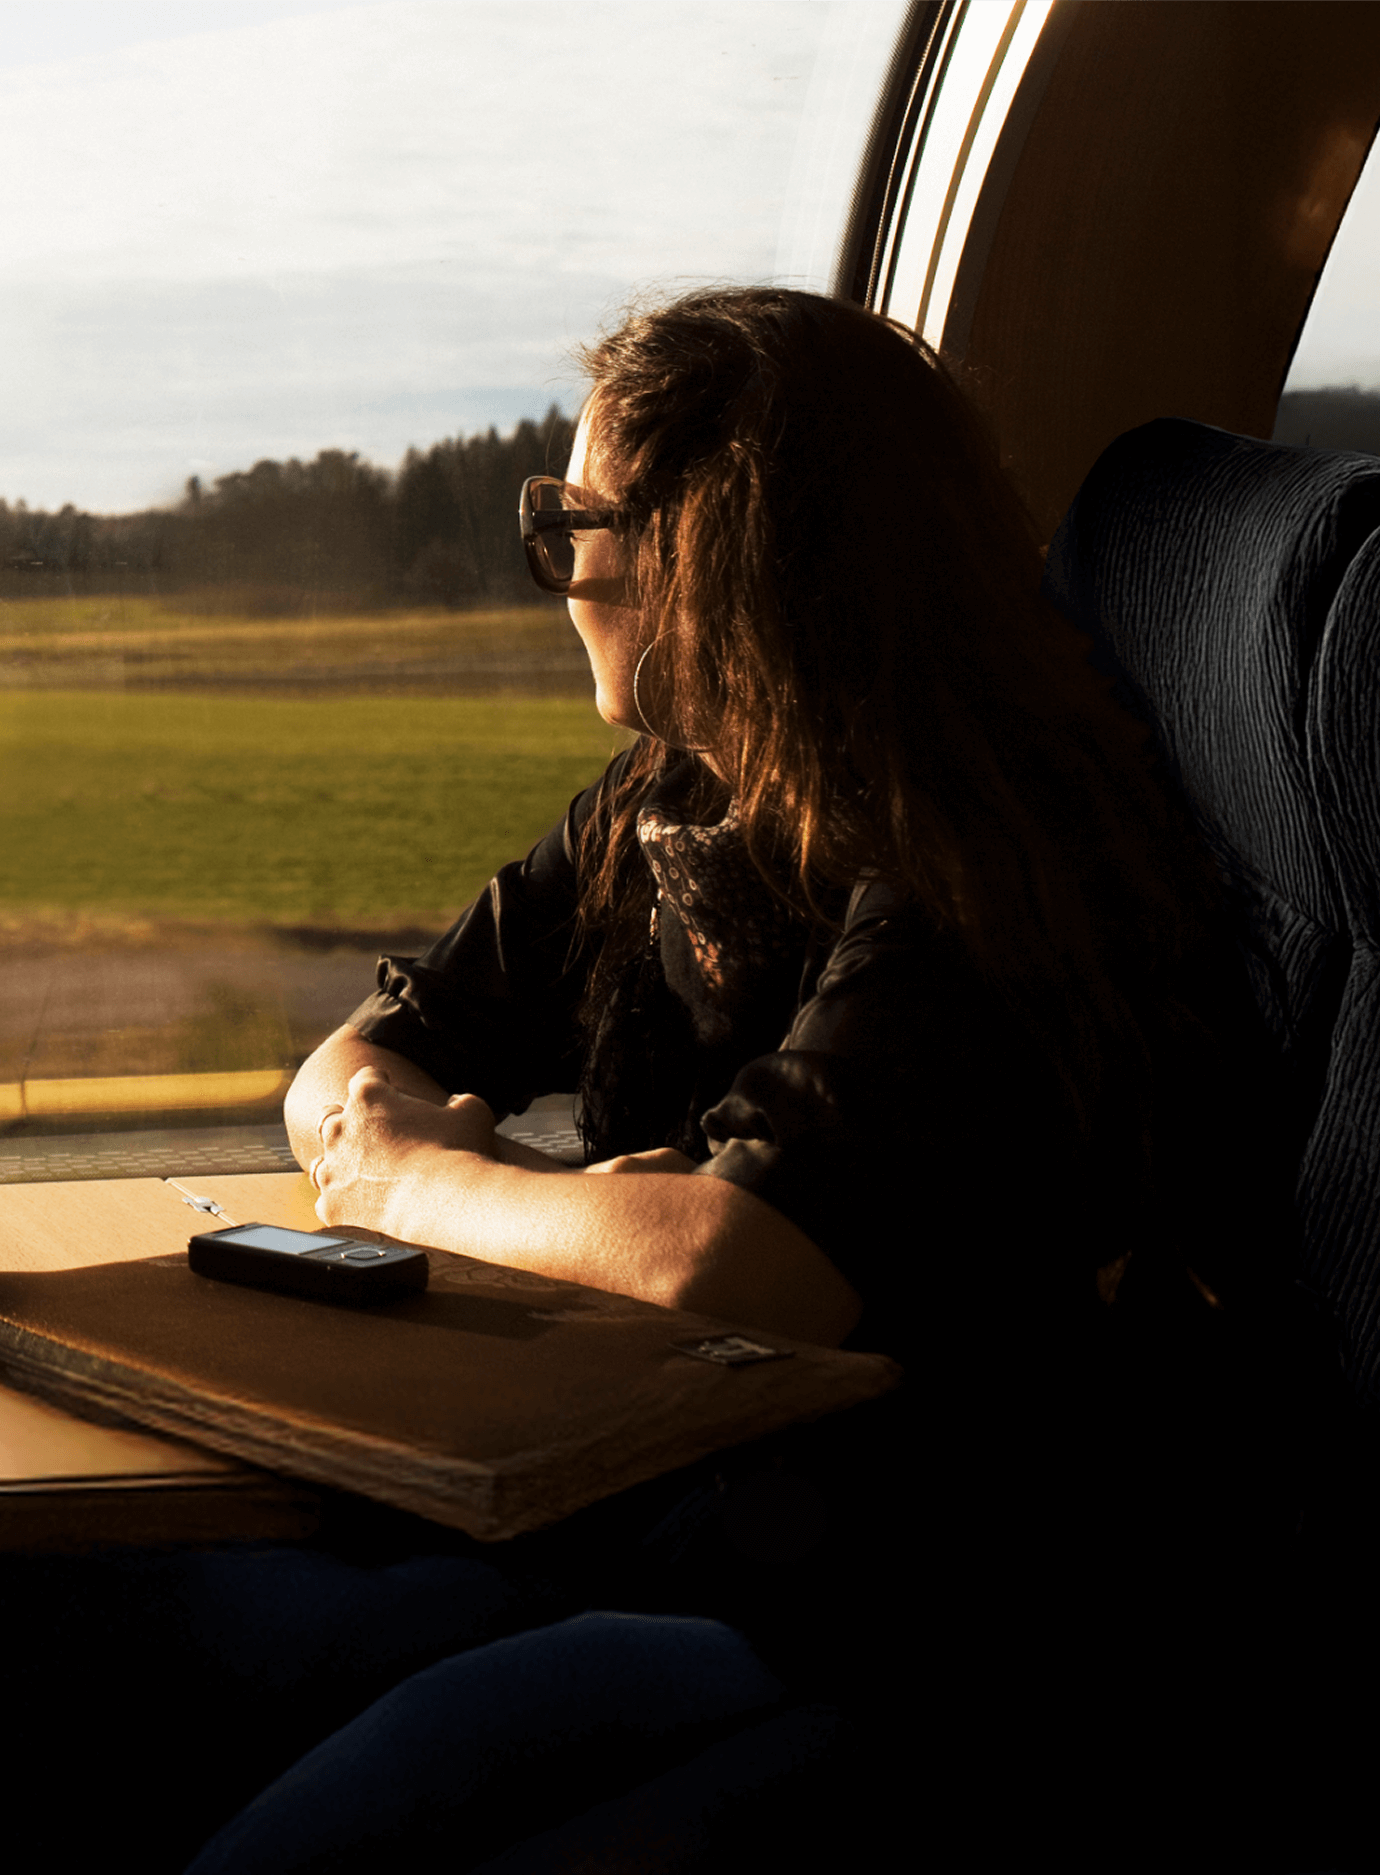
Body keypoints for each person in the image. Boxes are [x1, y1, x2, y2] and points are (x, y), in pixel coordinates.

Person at [187, 287, 1315, 1870]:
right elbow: (361, 1058)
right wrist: (453, 1166)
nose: (558, 578)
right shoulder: (666, 799)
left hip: (910, 1592)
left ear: (703, 550)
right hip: (693, 1506)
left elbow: (735, 1263)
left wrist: (417, 1188)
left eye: (573, 526)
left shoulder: (971, 860)